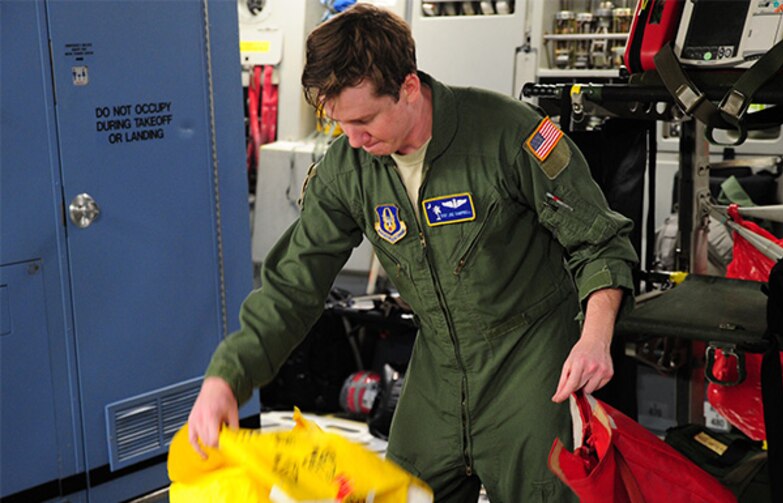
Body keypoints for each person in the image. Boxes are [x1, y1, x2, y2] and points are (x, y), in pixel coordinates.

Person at [188, 4, 638, 501]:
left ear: (407, 87)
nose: (353, 140)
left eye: (363, 120)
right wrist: (226, 379)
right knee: (395, 493)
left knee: (548, 492)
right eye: (339, 124)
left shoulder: (508, 135)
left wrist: (595, 338)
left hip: (531, 359)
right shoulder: (348, 169)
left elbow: (599, 240)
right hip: (439, 365)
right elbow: (293, 287)